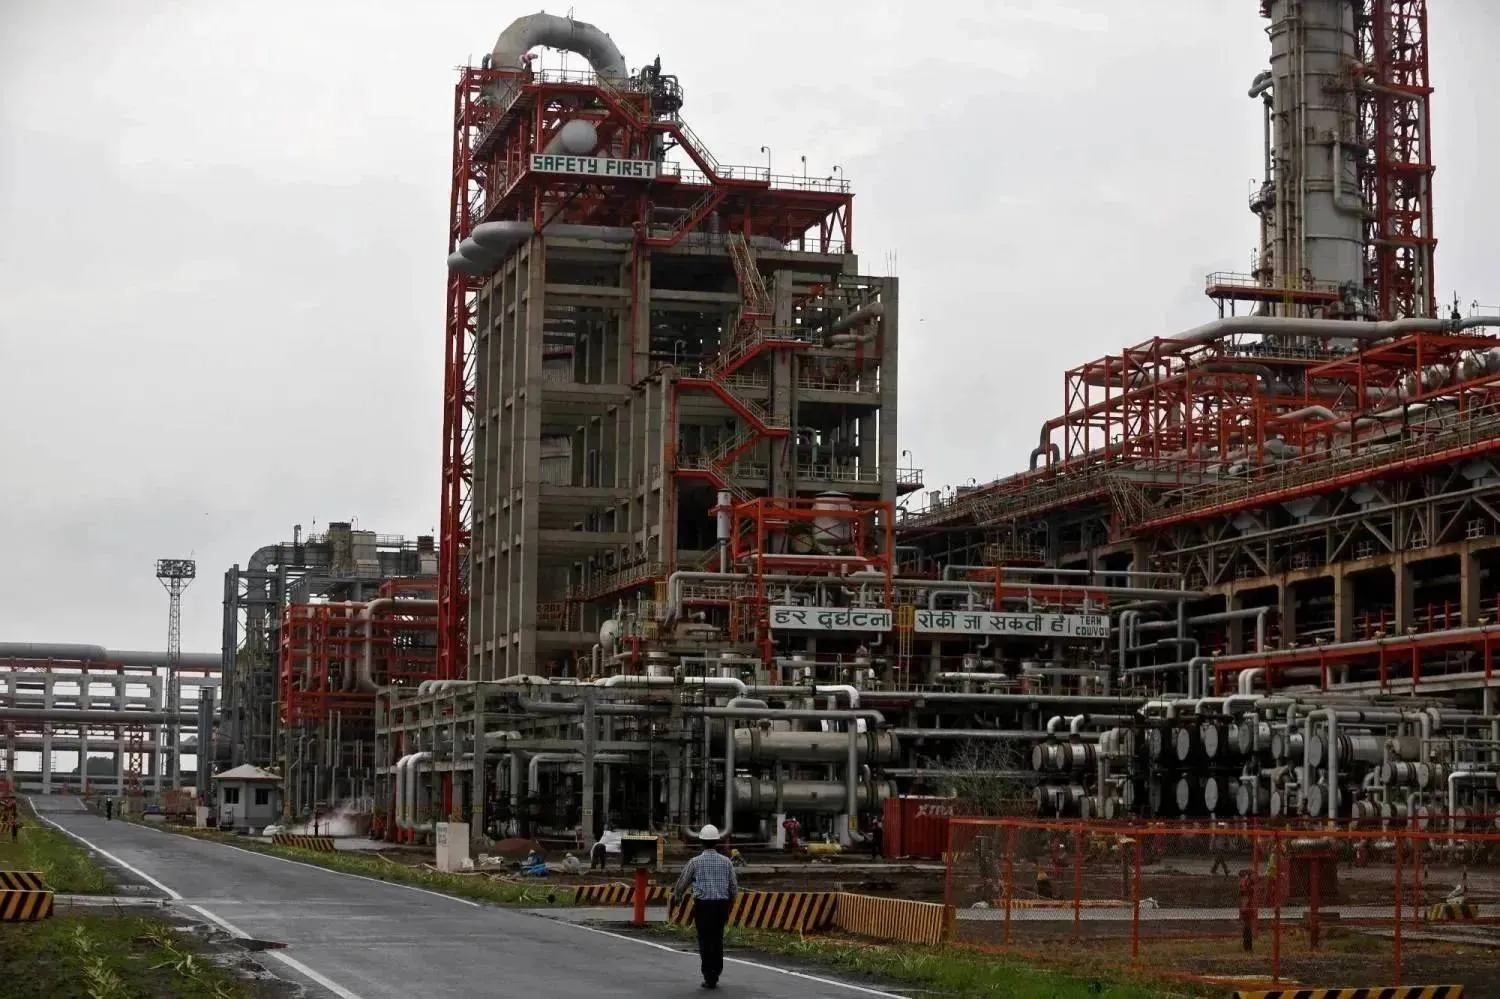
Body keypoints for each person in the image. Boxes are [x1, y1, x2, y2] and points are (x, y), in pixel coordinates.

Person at [674, 823, 738, 990]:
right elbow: (733, 887)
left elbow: (682, 883)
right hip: (721, 905)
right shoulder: (726, 862)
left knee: (704, 940)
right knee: (717, 939)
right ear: (716, 842)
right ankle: (716, 972)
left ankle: (708, 974)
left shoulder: (694, 862)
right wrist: (730, 902)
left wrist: (677, 897)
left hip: (703, 906)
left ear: (701, 841)